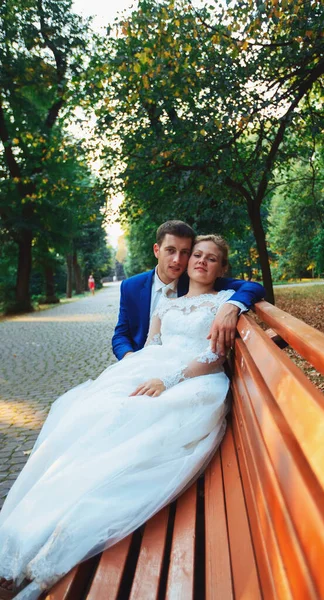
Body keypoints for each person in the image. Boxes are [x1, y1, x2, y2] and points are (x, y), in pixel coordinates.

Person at [0, 235, 256, 600]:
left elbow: (214, 355)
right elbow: (150, 348)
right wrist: (129, 375)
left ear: (222, 268)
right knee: (87, 413)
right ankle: (26, 537)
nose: (199, 261)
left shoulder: (224, 302)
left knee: (133, 431)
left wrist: (166, 380)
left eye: (210, 258)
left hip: (193, 380)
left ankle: (54, 554)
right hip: (153, 370)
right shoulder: (166, 305)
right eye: (195, 254)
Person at [112, 220, 265, 359]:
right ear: (156, 250)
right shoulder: (130, 286)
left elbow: (252, 287)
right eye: (170, 250)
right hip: (143, 361)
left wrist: (231, 306)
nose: (177, 260)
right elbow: (121, 335)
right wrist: (130, 360)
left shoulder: (197, 281)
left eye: (184, 252)